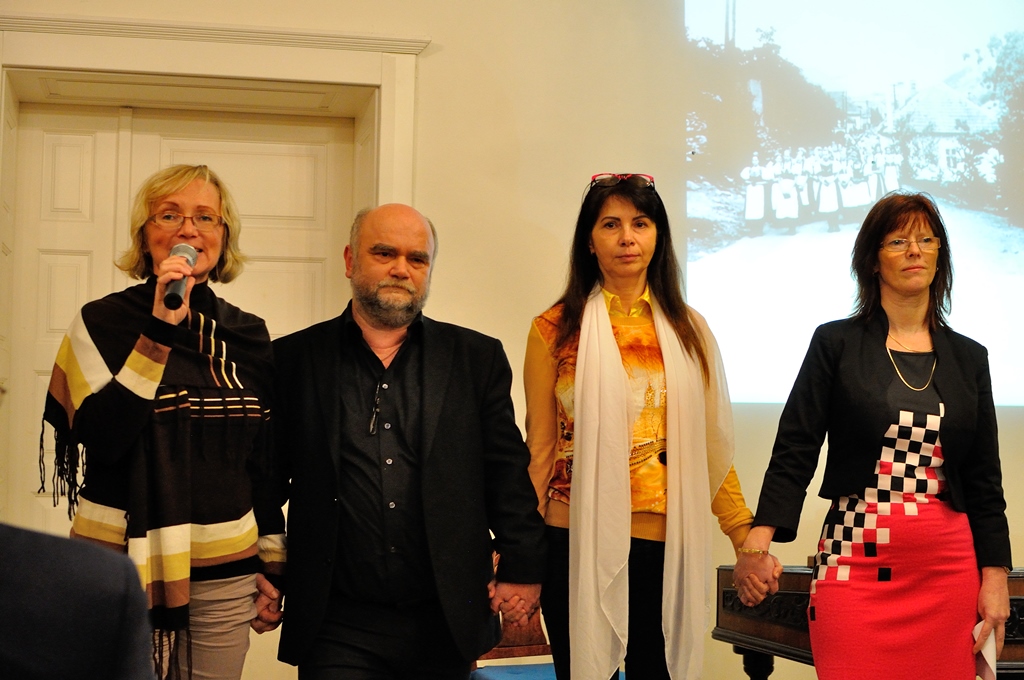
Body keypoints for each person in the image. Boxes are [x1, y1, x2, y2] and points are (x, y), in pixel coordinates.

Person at [734, 192, 1011, 679]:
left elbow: (984, 480)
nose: (915, 250)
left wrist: (995, 577)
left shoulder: (971, 357)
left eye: (927, 240)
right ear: (872, 260)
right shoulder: (835, 343)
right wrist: (758, 545)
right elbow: (795, 449)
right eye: (898, 241)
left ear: (940, 255)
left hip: (947, 574)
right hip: (853, 564)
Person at [271, 203, 547, 679]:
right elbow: (266, 477)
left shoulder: (475, 359)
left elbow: (505, 472)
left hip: (445, 616)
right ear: (350, 260)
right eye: (384, 253)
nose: (401, 268)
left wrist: (522, 566)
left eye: (417, 258)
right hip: (336, 621)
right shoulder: (293, 360)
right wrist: (266, 570)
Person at [524, 173, 774, 680]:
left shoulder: (689, 329)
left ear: (658, 236)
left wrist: (742, 535)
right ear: (589, 241)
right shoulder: (553, 328)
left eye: (640, 223)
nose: (626, 237)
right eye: (610, 224)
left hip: (663, 543)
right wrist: (519, 550)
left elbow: (709, 448)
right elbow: (541, 448)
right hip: (571, 539)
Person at [40, 164, 286, 680]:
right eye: (169, 215)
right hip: (115, 568)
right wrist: (157, 331)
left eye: (205, 217)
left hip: (225, 571)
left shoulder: (248, 336)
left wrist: (273, 560)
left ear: (223, 236)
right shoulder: (99, 323)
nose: (188, 229)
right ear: (145, 234)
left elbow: (261, 463)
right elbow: (104, 439)